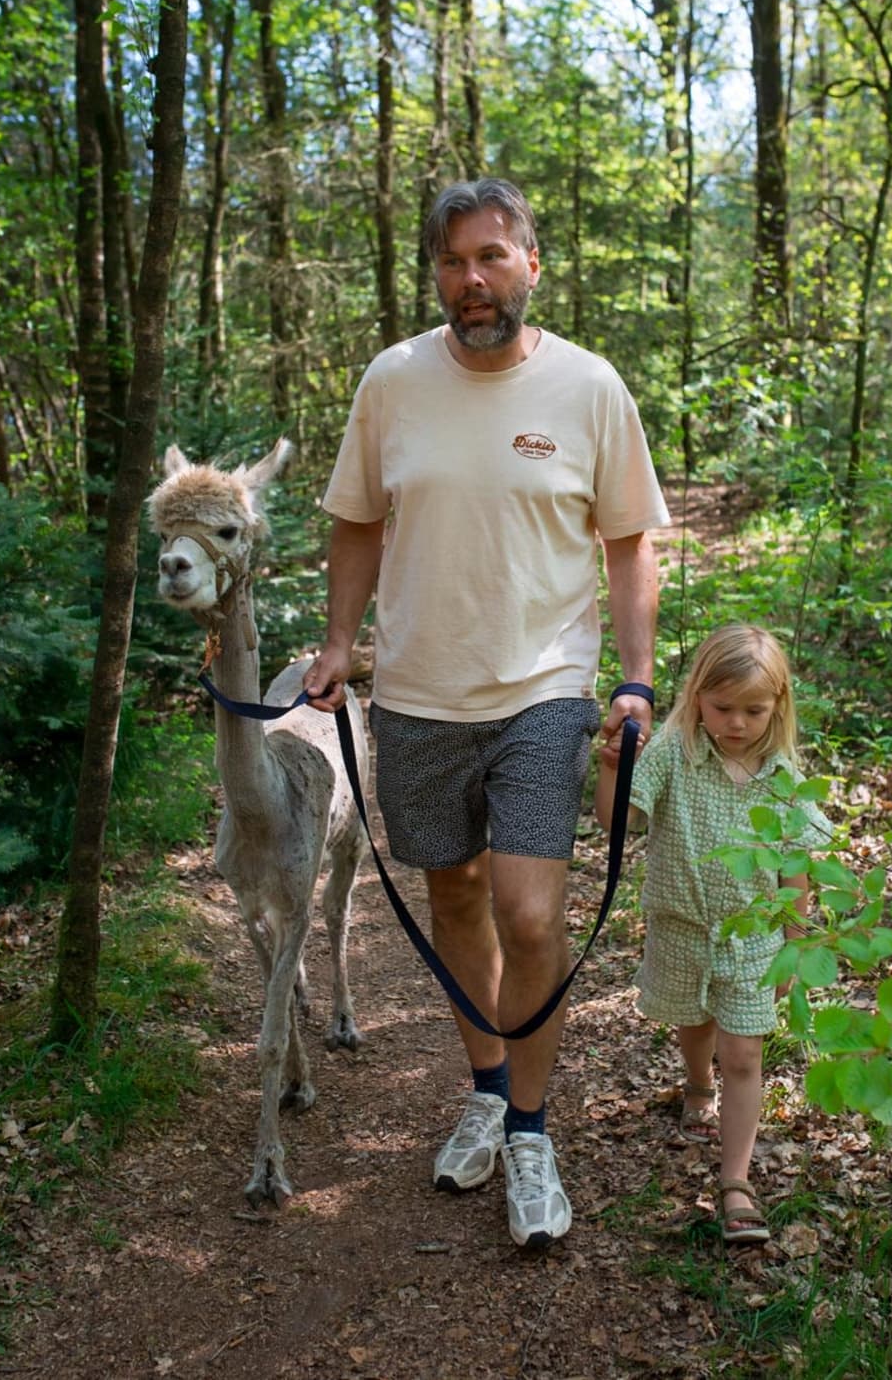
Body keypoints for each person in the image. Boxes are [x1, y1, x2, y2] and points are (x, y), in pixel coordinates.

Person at [303, 177, 670, 1250]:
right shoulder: (392, 381)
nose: (473, 279)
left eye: (493, 256)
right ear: (438, 274)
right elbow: (358, 521)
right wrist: (337, 643)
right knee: (455, 898)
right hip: (417, 690)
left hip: (544, 687)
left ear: (531, 264)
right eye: (454, 261)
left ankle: (529, 1131)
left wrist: (636, 675)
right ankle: (487, 1081)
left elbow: (629, 542)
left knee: (530, 913)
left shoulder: (589, 387)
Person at [594, 623, 830, 1244]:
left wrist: (796, 947)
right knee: (693, 1019)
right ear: (697, 694)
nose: (736, 723)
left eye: (754, 709)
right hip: (679, 927)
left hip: (754, 942)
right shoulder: (674, 751)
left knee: (745, 1054)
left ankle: (735, 1181)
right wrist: (612, 767)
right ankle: (697, 1085)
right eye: (723, 707)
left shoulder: (782, 780)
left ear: (778, 706)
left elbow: (796, 872)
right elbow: (617, 819)